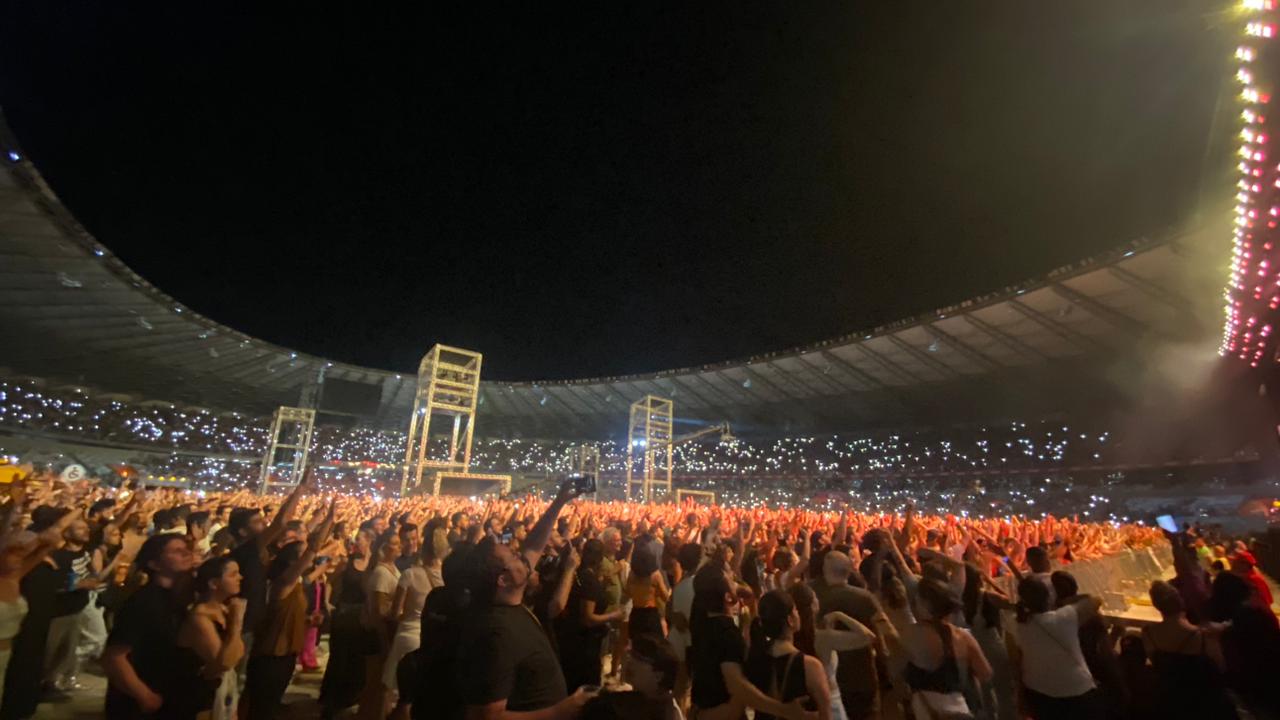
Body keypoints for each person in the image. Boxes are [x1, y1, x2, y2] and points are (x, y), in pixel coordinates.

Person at [456, 477, 594, 720]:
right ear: (504, 580)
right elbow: (484, 716)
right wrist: (561, 711)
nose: (523, 556)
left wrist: (559, 501)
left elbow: (533, 545)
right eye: (514, 557)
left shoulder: (507, 602)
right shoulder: (496, 635)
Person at [244, 499, 335, 720]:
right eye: (302, 556)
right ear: (293, 562)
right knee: (262, 708)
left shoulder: (293, 585)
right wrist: (329, 520)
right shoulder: (283, 584)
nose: (309, 559)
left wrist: (306, 619)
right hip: (272, 656)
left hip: (284, 654)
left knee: (269, 704)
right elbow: (313, 548)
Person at [688, 568, 816, 720]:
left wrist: (752, 607)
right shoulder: (727, 634)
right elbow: (737, 686)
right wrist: (783, 710)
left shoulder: (702, 625)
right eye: (731, 581)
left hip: (704, 708)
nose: (736, 584)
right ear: (728, 597)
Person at [102, 533, 197, 719]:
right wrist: (144, 695)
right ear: (155, 564)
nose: (186, 553)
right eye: (177, 551)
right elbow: (114, 657)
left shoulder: (178, 597)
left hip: (167, 693)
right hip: (141, 703)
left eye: (186, 549)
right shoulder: (144, 601)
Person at [1140, 581, 1236, 720]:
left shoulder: (1148, 634)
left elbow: (1156, 664)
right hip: (1206, 705)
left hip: (1171, 703)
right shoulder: (1203, 636)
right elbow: (1221, 668)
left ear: (1156, 605)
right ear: (1181, 602)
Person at [899, 578, 992, 720]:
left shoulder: (911, 633)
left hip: (926, 711)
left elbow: (897, 669)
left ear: (925, 604)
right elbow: (985, 673)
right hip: (960, 710)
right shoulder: (963, 637)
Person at [1012, 577, 1103, 720]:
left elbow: (1018, 660)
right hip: (1074, 688)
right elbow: (1095, 600)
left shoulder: (1019, 624)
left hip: (1037, 689)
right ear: (1048, 597)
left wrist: (1020, 694)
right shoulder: (1064, 617)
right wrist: (1063, 601)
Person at [809, 551, 884, 720]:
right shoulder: (865, 598)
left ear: (824, 569)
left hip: (825, 679)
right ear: (850, 571)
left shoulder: (812, 596)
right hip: (861, 676)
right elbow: (883, 635)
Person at [173, 556, 247, 720]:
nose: (240, 578)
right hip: (198, 696)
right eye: (233, 574)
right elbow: (224, 663)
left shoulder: (223, 609)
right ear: (214, 583)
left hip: (219, 691)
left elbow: (238, 653)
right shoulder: (199, 618)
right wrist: (236, 623)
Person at [746, 589, 833, 720]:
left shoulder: (755, 659)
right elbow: (825, 714)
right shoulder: (810, 665)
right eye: (795, 610)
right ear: (790, 620)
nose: (798, 614)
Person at [384, 527, 446, 702]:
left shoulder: (409, 575)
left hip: (408, 635)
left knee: (396, 696)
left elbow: (395, 613)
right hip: (433, 640)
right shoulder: (447, 577)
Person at [557, 539, 624, 691]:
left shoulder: (579, 574)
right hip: (585, 645)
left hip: (572, 640)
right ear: (600, 558)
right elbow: (588, 618)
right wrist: (614, 615)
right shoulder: (589, 581)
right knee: (585, 688)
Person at [359, 527, 401, 720]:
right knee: (375, 685)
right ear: (385, 548)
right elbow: (378, 612)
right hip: (378, 634)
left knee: (382, 687)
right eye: (395, 544)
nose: (400, 547)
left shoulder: (392, 569)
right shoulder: (381, 573)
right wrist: (385, 643)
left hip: (385, 632)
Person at [624, 633, 684, 720]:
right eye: (631, 655)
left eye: (639, 659)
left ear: (658, 676)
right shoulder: (640, 701)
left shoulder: (665, 714)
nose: (630, 661)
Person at [626, 540, 670, 640]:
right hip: (650, 613)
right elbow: (665, 597)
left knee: (636, 648)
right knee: (654, 646)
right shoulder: (655, 575)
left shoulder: (632, 574)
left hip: (636, 612)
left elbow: (628, 591)